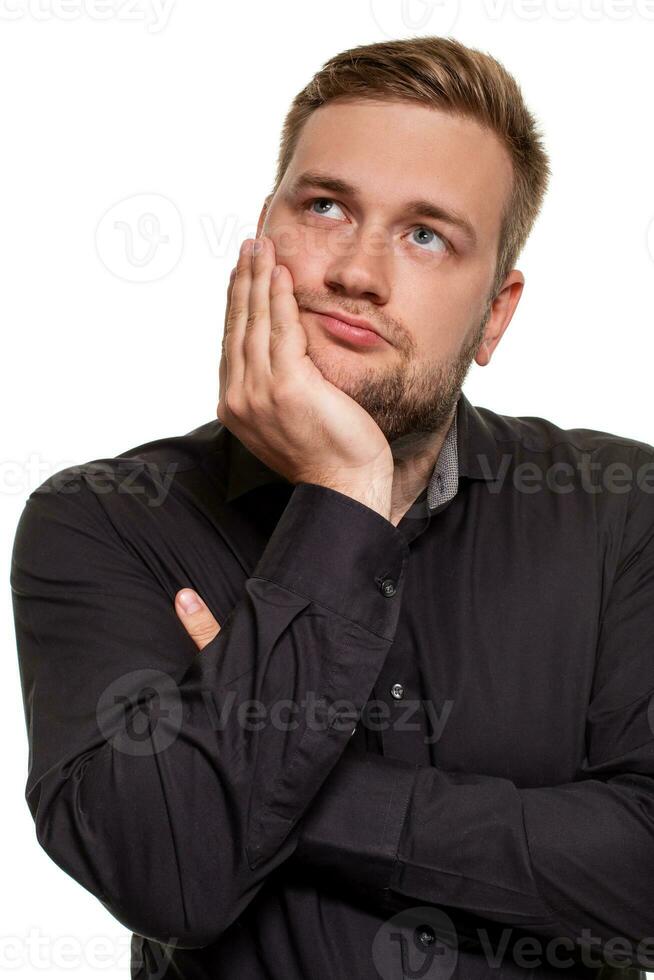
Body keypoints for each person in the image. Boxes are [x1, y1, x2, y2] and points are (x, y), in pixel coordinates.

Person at [10, 35, 654, 980]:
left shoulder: (621, 511)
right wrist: (344, 497)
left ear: (497, 315)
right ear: (263, 234)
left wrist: (286, 787)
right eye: (325, 207)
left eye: (426, 234)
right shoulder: (103, 520)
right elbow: (167, 870)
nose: (357, 271)